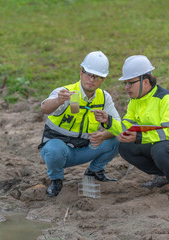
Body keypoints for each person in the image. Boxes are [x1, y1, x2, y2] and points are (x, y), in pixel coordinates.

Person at [94, 55, 169, 204]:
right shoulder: (135, 102)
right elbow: (125, 128)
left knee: (160, 149)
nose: (126, 88)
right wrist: (108, 121)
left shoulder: (166, 99)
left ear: (145, 82)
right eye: (125, 84)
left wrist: (139, 137)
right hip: (166, 146)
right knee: (125, 146)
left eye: (129, 83)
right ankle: (165, 175)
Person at [38, 51, 121, 197]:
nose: (91, 79)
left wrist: (105, 127)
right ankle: (56, 179)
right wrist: (58, 101)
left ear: (103, 79)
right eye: (88, 74)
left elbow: (119, 127)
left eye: (96, 76)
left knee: (119, 139)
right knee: (54, 149)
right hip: (60, 151)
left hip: (85, 148)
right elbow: (44, 108)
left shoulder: (104, 98)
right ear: (81, 73)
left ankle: (95, 170)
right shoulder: (65, 92)